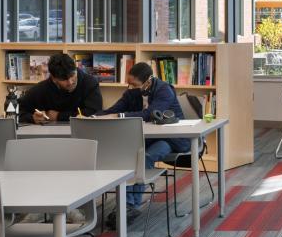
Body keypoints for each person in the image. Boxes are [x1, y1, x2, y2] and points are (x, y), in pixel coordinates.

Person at [99, 62, 190, 220]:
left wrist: (119, 116)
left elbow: (148, 114)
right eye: (129, 83)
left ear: (147, 81)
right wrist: (93, 117)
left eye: (134, 84)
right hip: (144, 138)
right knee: (128, 156)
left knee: (146, 156)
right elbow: (113, 111)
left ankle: (130, 206)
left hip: (169, 139)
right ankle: (128, 205)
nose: (130, 87)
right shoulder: (131, 93)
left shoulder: (164, 90)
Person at [18, 53, 103, 124]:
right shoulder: (42, 89)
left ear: (76, 69)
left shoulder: (90, 83)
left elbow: (95, 114)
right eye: (64, 79)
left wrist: (58, 116)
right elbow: (16, 112)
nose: (70, 82)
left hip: (83, 133)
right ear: (54, 79)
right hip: (49, 137)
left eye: (72, 75)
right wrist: (32, 118)